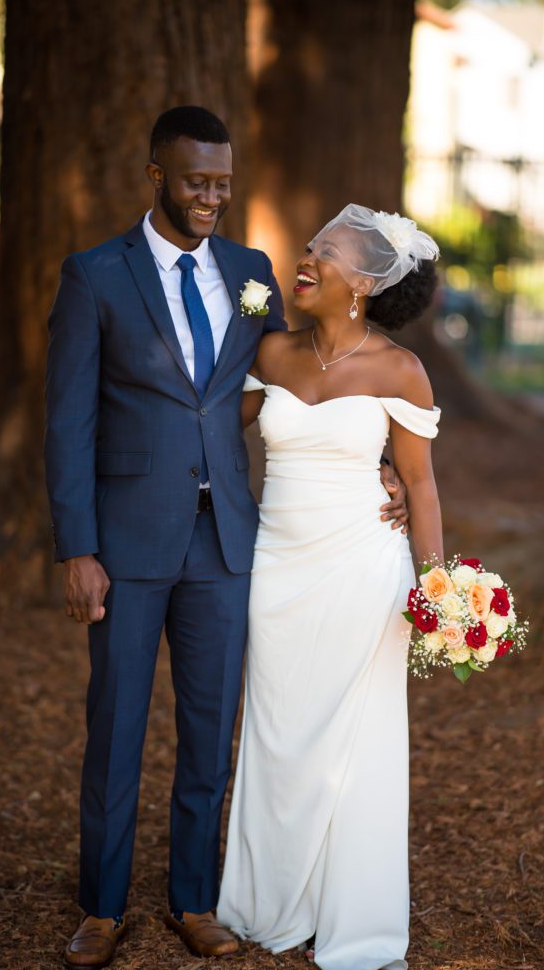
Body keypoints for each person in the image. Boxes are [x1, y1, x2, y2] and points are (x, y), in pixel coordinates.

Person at [45, 112, 408, 968]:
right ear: (156, 176)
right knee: (117, 727)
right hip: (125, 545)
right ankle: (101, 907)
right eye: (195, 182)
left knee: (211, 733)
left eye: (221, 182)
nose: (212, 197)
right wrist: (77, 548)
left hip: (228, 545)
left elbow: (301, 371)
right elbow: (68, 423)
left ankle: (194, 900)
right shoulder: (95, 276)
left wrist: (380, 460)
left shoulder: (250, 274)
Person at [217, 204, 443, 970]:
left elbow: (421, 483)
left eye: (329, 253)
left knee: (359, 740)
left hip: (363, 570)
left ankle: (351, 911)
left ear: (365, 284)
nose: (306, 259)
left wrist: (439, 590)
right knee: (278, 734)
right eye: (309, 247)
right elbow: (216, 429)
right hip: (277, 570)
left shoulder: (398, 369)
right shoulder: (273, 351)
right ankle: (272, 899)